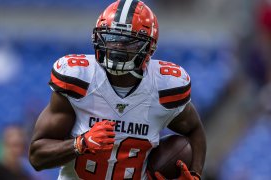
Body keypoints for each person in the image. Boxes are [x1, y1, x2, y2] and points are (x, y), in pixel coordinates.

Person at [28, 0, 206, 179]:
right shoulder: (78, 78)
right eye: (111, 38)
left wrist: (195, 173)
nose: (117, 47)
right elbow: (37, 157)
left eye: (129, 42)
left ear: (149, 47)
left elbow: (194, 130)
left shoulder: (165, 86)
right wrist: (80, 143)